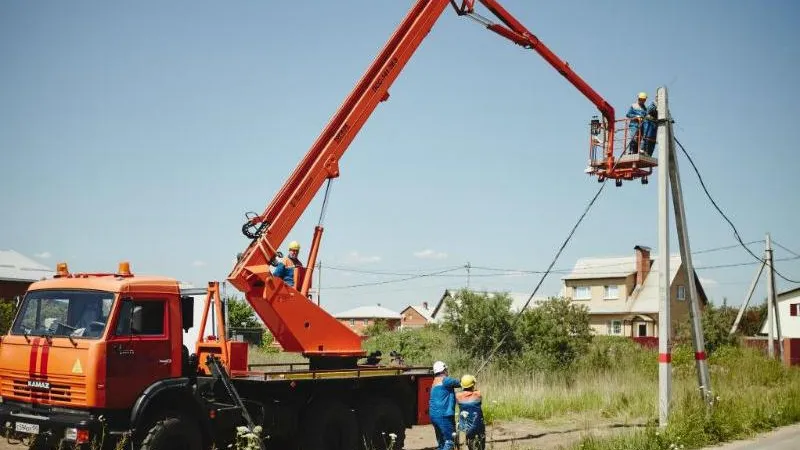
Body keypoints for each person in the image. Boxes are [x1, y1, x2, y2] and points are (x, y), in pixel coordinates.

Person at [429, 360, 460, 450]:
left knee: (441, 443)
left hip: (434, 416)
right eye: (446, 369)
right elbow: (459, 383)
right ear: (444, 370)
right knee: (449, 442)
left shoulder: (434, 381)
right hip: (444, 415)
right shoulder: (445, 380)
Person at [456, 374, 486, 450]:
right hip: (478, 422)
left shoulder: (458, 396)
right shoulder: (478, 394)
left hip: (465, 424)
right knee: (481, 434)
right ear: (473, 385)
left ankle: (468, 441)